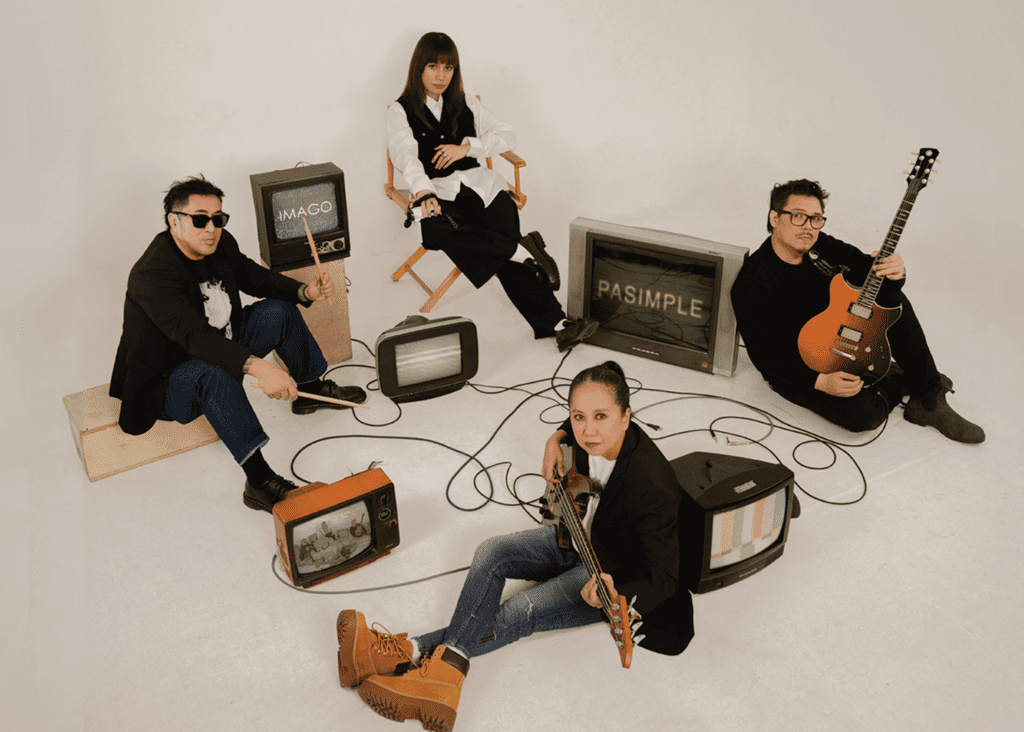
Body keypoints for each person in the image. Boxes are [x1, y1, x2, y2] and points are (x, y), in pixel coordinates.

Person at [335, 362, 693, 730]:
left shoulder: (654, 486)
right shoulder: (588, 431)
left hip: (607, 570)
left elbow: (665, 577)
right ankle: (421, 672)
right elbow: (584, 413)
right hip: (575, 536)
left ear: (626, 417)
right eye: (578, 417)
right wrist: (555, 438)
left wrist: (616, 593)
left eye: (601, 417)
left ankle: (405, 657)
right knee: (490, 552)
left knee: (519, 610)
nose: (588, 430)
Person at [109, 175, 367, 512]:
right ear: (174, 221)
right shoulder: (152, 273)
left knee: (278, 311)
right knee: (214, 374)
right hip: (171, 373)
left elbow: (253, 277)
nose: (211, 228)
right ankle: (259, 482)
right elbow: (195, 338)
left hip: (221, 338)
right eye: (200, 219)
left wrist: (305, 291)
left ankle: (310, 388)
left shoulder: (219, 243)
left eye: (218, 219)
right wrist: (261, 368)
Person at [388, 32, 597, 352]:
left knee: (494, 241)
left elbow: (507, 135)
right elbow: (406, 157)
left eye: (448, 68)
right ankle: (521, 250)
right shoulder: (401, 110)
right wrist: (424, 192)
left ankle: (559, 325)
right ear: (419, 67)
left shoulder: (466, 103)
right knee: (434, 230)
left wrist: (468, 148)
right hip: (439, 193)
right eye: (433, 67)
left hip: (483, 189)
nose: (441, 76)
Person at [730, 178, 983, 443]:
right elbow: (766, 356)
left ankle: (928, 396)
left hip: (841, 337)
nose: (808, 227)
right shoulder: (752, 282)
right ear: (774, 218)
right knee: (863, 416)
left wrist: (895, 272)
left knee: (892, 298)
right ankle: (901, 378)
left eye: (816, 219)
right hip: (801, 365)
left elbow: (873, 275)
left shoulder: (821, 246)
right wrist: (821, 381)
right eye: (798, 216)